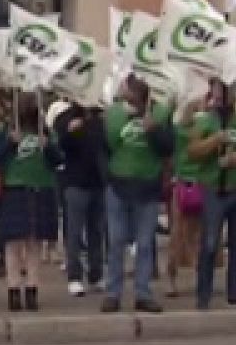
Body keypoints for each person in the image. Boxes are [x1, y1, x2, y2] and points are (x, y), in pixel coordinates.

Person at [101, 76, 173, 314]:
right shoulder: (113, 115)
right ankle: (113, 293)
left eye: (130, 94)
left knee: (144, 244)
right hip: (119, 184)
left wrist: (155, 131)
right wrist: (109, 174)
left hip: (148, 186)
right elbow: (106, 146)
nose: (126, 98)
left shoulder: (160, 114)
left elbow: (168, 148)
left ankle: (143, 293)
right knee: (116, 240)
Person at [0, 97, 61, 312]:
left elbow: (58, 159)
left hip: (40, 188)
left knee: (34, 242)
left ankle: (31, 289)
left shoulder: (44, 132)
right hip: (13, 188)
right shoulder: (2, 132)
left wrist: (48, 147)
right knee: (12, 243)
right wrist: (9, 142)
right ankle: (13, 289)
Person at [197, 79, 236, 309]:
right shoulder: (205, 122)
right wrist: (215, 141)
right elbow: (193, 151)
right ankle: (203, 294)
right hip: (214, 190)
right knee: (210, 244)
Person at [168, 87, 218, 300]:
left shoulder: (182, 129)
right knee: (198, 235)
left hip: (187, 184)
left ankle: (175, 280)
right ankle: (198, 277)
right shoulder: (205, 128)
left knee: (181, 235)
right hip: (197, 184)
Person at [54, 101, 106, 296]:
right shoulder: (65, 118)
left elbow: (103, 145)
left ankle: (96, 273)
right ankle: (74, 276)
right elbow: (62, 147)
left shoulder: (98, 119)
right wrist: (70, 131)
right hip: (75, 182)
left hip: (97, 182)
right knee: (74, 232)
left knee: (96, 231)